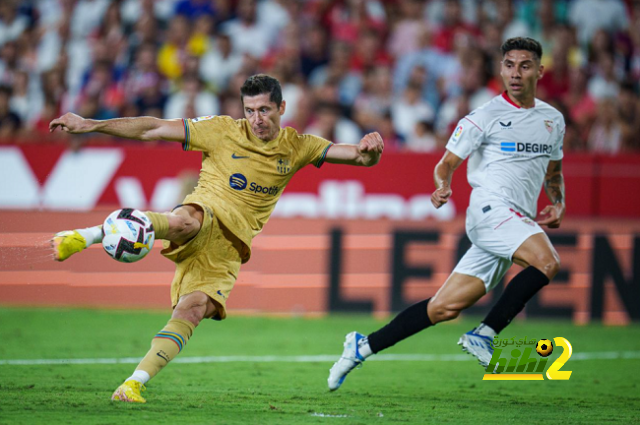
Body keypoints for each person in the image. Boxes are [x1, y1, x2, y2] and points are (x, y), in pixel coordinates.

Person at [49, 74, 384, 403]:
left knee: (192, 311)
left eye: (264, 110)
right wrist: (90, 124)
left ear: (282, 107)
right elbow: (153, 127)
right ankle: (86, 235)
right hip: (204, 212)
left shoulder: (299, 146)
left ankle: (133, 384)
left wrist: (372, 150)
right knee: (186, 222)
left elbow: (359, 157)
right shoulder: (221, 129)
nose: (256, 119)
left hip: (229, 249)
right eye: (250, 110)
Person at [327, 37, 566, 391]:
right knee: (547, 262)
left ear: (539, 71)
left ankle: (361, 346)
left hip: (517, 220)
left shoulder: (553, 120)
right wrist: (443, 185)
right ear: (501, 69)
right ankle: (485, 334)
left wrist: (558, 201)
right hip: (490, 211)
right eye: (509, 65)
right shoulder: (484, 116)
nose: (516, 73)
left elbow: (554, 172)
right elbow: (446, 163)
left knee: (443, 308)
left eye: (524, 66)